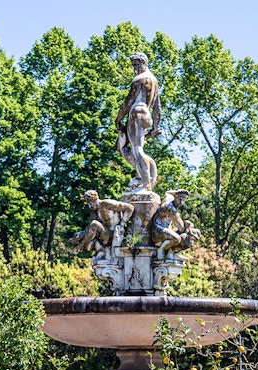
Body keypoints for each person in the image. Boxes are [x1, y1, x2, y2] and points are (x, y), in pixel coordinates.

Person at [115, 52, 161, 191]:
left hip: (136, 113)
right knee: (122, 147)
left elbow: (128, 101)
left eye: (136, 64)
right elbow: (157, 107)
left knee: (137, 149)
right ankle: (143, 175)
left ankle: (146, 183)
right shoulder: (154, 80)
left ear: (144, 63)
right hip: (145, 115)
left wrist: (118, 119)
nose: (134, 67)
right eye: (133, 65)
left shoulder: (139, 79)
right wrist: (155, 126)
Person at [69, 190, 134, 259]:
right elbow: (90, 229)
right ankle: (101, 252)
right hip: (105, 235)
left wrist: (122, 224)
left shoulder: (107, 204)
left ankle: (79, 248)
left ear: (95, 199)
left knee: (94, 224)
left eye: (90, 202)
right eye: (88, 203)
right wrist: (80, 235)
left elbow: (130, 208)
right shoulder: (94, 212)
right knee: (84, 236)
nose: (89, 205)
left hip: (114, 233)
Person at [151, 190, 201, 259]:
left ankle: (172, 252)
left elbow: (167, 192)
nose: (181, 202)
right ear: (176, 196)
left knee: (190, 237)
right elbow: (181, 227)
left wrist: (178, 193)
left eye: (184, 199)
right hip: (157, 231)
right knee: (178, 238)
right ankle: (161, 249)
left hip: (166, 230)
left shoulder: (169, 198)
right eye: (180, 198)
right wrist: (189, 226)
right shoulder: (170, 208)